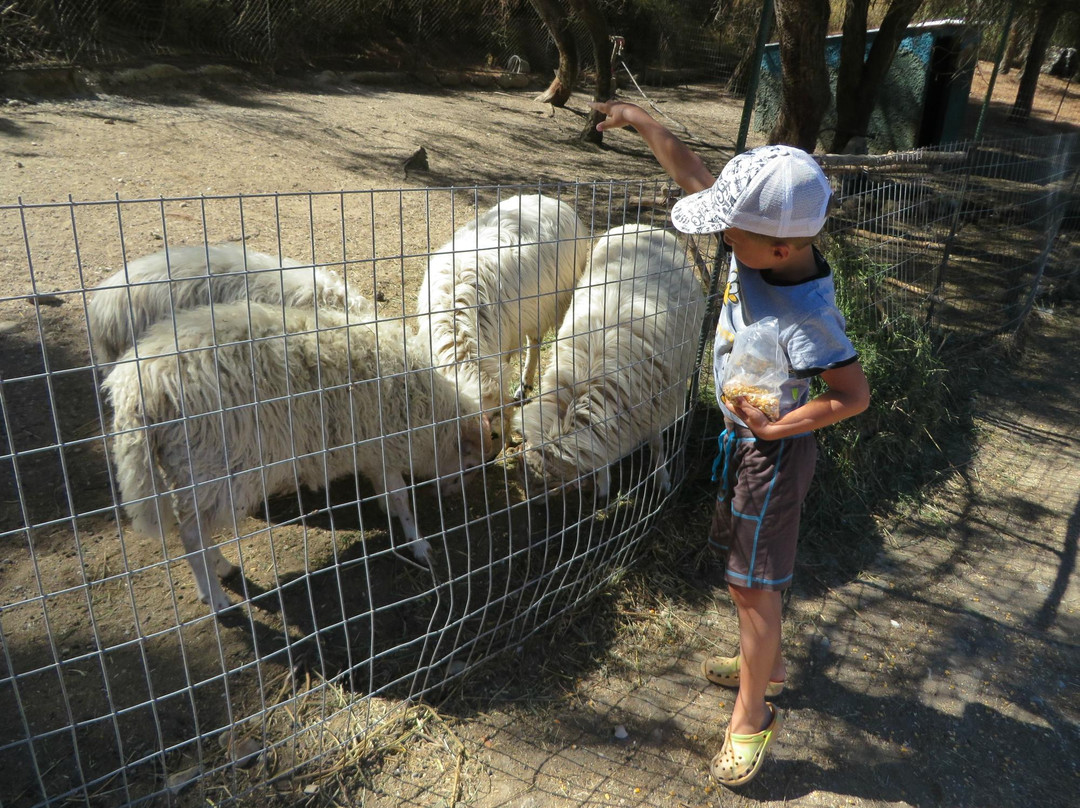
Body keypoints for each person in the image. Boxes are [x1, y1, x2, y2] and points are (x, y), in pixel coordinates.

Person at [589, 100, 871, 787]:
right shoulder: (766, 249)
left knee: (751, 586)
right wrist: (643, 122)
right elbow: (696, 179)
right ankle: (765, 663)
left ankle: (752, 714)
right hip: (745, 440)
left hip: (772, 455)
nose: (720, 236)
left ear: (778, 246)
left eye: (729, 231)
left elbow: (853, 395)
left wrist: (777, 427)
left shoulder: (809, 315)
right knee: (750, 577)